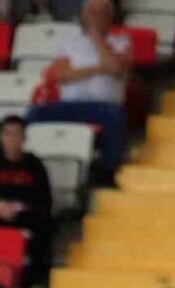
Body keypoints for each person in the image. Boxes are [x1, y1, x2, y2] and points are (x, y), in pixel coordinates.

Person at [27, 0, 130, 181]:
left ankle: (107, 173)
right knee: (36, 113)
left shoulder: (121, 42)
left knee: (116, 115)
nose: (95, 18)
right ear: (84, 16)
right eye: (92, 13)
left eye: (100, 13)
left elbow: (115, 68)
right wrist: (98, 68)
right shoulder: (70, 43)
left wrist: (97, 38)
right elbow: (60, 74)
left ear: (110, 17)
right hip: (70, 106)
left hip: (104, 108)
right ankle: (28, 165)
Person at [0, 116, 54, 287]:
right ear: (0, 137)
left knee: (45, 228)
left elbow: (44, 200)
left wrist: (20, 211)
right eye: (7, 134)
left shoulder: (35, 166)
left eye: (16, 134)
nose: (12, 139)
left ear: (24, 139)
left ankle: (32, 283)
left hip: (27, 218)